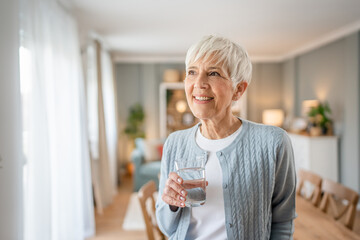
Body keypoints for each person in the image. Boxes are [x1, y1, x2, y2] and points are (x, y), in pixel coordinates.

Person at [155, 35, 296, 240]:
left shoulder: (273, 143)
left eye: (213, 73)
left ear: (238, 90)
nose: (199, 83)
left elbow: (283, 222)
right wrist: (171, 203)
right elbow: (167, 227)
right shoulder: (174, 143)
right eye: (192, 72)